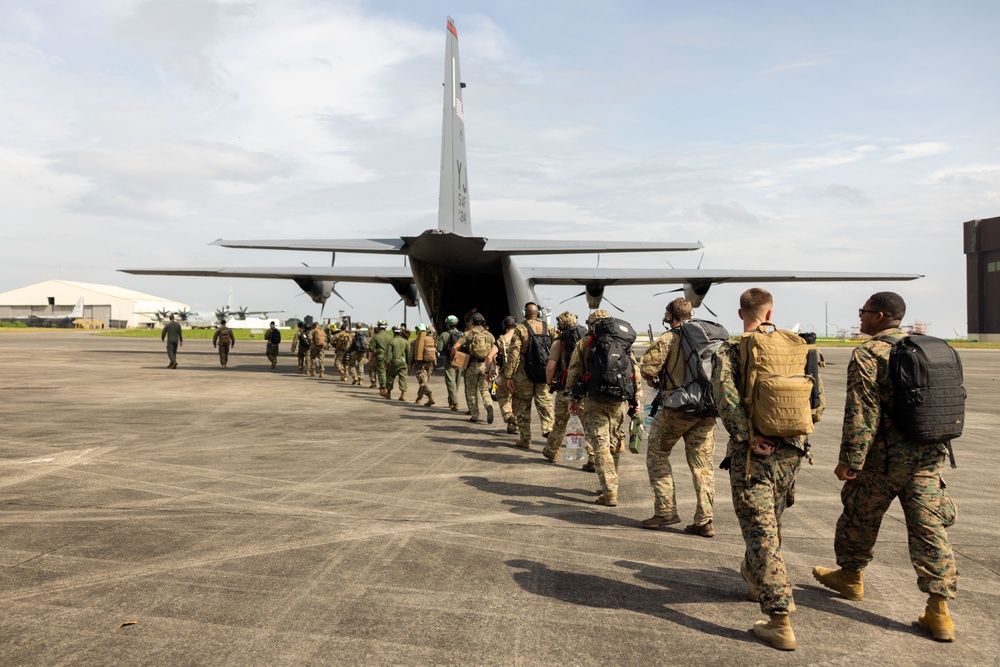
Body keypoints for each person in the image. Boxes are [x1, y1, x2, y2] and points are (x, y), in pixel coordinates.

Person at [812, 292, 959, 642]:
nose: (859, 317)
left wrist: (850, 460)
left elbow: (862, 413)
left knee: (859, 514)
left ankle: (851, 576)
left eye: (863, 312)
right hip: (927, 452)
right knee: (929, 529)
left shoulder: (868, 353)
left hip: (884, 459)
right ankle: (939, 612)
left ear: (879, 316)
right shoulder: (926, 348)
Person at [711, 287, 821, 651]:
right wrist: (792, 437)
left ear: (741, 313)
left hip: (752, 456)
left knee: (763, 535)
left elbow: (725, 399)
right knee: (770, 523)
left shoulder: (731, 350)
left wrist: (749, 436)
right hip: (791, 453)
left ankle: (779, 619)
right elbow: (815, 404)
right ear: (770, 313)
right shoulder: (800, 347)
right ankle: (756, 580)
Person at [639, 297, 716, 536]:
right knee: (702, 465)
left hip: (678, 409)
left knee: (657, 454)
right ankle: (705, 520)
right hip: (706, 410)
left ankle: (665, 511)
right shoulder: (708, 337)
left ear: (669, 316)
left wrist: (658, 379)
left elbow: (648, 369)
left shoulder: (669, 338)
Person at [565, 310, 640, 505]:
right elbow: (634, 370)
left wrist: (572, 397)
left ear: (591, 325)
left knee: (600, 444)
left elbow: (574, 370)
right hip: (618, 400)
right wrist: (636, 398)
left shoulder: (585, 343)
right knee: (614, 442)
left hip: (594, 399)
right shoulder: (622, 343)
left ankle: (609, 492)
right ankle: (611, 483)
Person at [502, 302, 555, 449]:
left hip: (524, 374)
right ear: (538, 313)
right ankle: (549, 432)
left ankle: (525, 439)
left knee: (523, 406)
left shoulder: (521, 329)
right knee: (545, 405)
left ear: (525, 313)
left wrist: (509, 376)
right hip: (543, 374)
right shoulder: (548, 328)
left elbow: (513, 354)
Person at [542, 311, 589, 465]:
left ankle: (551, 451)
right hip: (585, 388)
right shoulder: (588, 337)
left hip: (565, 388)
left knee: (560, 422)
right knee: (588, 425)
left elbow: (550, 367)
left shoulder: (560, 341)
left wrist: (549, 383)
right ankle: (594, 458)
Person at [454, 313, 496, 423]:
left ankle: (475, 415)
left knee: (472, 391)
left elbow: (455, 347)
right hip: (485, 366)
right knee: (484, 389)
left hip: (472, 365)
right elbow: (494, 353)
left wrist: (454, 360)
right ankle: (489, 406)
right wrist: (494, 367)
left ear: (472, 322)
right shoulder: (489, 335)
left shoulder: (468, 334)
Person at [488, 316, 518, 433]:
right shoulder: (522, 338)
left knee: (503, 396)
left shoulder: (501, 340)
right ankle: (515, 424)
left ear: (505, 327)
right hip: (520, 375)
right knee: (517, 399)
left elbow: (490, 356)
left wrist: (490, 371)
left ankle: (508, 415)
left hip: (506, 374)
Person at [436, 315, 464, 411]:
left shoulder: (444, 335)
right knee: (456, 381)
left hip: (448, 360)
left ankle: (455, 403)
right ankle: (451, 400)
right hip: (459, 359)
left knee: (450, 382)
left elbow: (439, 349)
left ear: (447, 324)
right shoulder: (461, 334)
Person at [409, 323, 437, 406]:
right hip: (430, 364)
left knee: (422, 383)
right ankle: (419, 398)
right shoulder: (431, 340)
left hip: (420, 364)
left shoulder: (415, 342)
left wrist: (410, 363)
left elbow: (411, 354)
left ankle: (430, 397)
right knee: (424, 381)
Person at [385, 325, 410, 400]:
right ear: (401, 332)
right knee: (403, 377)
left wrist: (387, 362)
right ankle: (403, 394)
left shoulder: (391, 341)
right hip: (403, 361)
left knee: (390, 376)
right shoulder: (405, 341)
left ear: (393, 331)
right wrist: (408, 363)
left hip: (394, 361)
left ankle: (388, 393)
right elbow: (408, 354)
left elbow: (388, 354)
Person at [371, 320, 393, 395]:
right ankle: (388, 388)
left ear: (379, 327)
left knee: (381, 372)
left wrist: (376, 352)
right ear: (386, 327)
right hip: (389, 356)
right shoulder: (390, 337)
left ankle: (383, 388)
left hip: (380, 356)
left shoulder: (376, 337)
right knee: (388, 372)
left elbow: (371, 348)